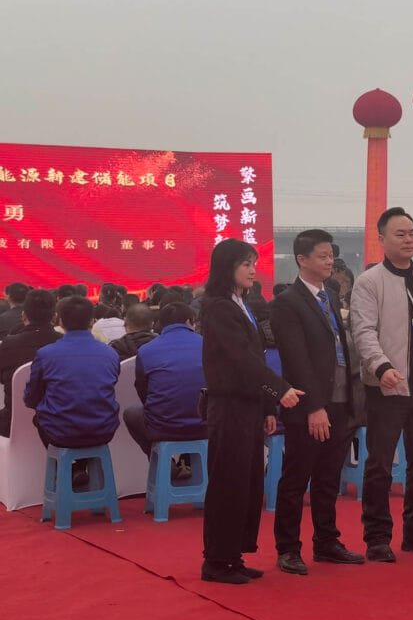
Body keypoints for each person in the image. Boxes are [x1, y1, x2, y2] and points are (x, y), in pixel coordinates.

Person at [349, 207, 413, 562]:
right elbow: (362, 332)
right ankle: (377, 536)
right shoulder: (369, 282)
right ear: (381, 240)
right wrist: (381, 367)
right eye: (400, 234)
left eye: (412, 233)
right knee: (380, 463)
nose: (409, 240)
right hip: (388, 387)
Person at [201, 239, 302, 585]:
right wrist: (281, 389)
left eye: (253, 262)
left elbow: (254, 359)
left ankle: (233, 555)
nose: (252, 269)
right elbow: (241, 357)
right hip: (228, 406)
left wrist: (267, 406)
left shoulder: (241, 303)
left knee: (247, 484)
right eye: (245, 263)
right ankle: (216, 559)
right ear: (227, 266)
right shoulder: (217, 307)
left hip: (248, 406)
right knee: (228, 482)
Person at [270, 229, 363, 575]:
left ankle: (327, 541)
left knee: (328, 477)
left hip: (340, 400)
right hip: (310, 405)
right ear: (302, 260)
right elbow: (295, 360)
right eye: (322, 256)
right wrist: (314, 407)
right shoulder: (287, 303)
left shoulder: (330, 294)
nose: (329, 262)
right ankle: (288, 548)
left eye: (330, 256)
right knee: (297, 479)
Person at [24, 296, 121, 489]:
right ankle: (79, 469)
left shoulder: (46, 354)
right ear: (92, 322)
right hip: (104, 430)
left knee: (40, 417)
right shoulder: (110, 353)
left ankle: (69, 469)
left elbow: (31, 398)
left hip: (60, 432)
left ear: (59, 320)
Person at [123, 303, 207, 473]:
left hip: (163, 426)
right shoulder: (209, 345)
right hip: (206, 424)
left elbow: (143, 391)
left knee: (131, 413)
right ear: (190, 321)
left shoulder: (147, 350)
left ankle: (162, 463)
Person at [0, 290, 61, 436]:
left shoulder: (8, 344)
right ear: (54, 317)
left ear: (23, 316)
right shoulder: (67, 344)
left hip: (11, 423)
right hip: (58, 423)